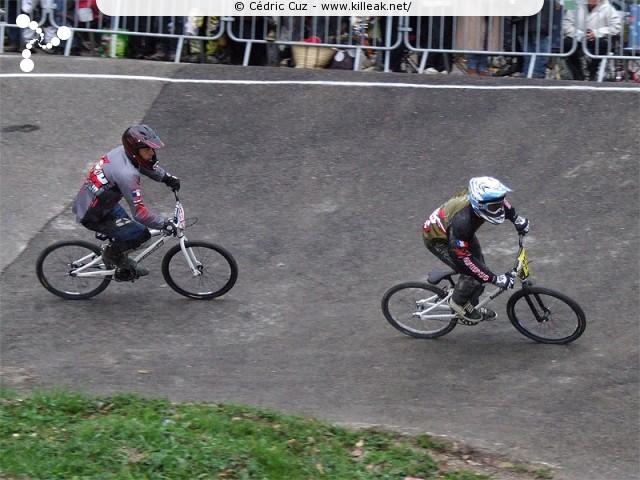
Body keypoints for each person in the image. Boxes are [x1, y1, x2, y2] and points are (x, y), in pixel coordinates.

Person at [72, 125, 181, 277]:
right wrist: (163, 223)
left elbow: (141, 164)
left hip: (97, 204)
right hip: (94, 214)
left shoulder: (122, 152)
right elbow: (140, 213)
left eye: (151, 148)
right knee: (141, 235)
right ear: (135, 150)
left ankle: (115, 248)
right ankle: (112, 255)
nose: (151, 153)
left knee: (129, 231)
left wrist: (165, 178)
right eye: (147, 149)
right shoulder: (127, 175)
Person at [422, 177, 530, 324]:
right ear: (479, 205)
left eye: (498, 205)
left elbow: (502, 203)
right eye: (494, 208)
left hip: (460, 235)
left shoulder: (484, 200)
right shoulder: (462, 223)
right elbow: (464, 259)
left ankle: (471, 305)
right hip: (440, 240)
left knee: (482, 272)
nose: (499, 210)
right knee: (473, 276)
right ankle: (458, 304)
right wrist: (496, 279)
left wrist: (517, 219)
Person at [563, 0, 622, 80]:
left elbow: (616, 27)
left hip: (598, 38)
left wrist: (596, 33)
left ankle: (593, 70)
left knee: (602, 44)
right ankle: (578, 72)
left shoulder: (608, 8)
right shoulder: (574, 4)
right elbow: (566, 25)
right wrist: (580, 34)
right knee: (567, 44)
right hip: (578, 37)